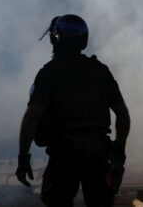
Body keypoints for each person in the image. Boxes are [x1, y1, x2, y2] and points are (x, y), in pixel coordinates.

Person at [16, 14, 131, 207]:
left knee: (57, 200)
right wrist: (119, 154)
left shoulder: (49, 73)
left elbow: (31, 117)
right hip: (98, 151)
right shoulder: (99, 71)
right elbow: (123, 115)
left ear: (56, 39)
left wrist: (23, 159)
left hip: (64, 152)